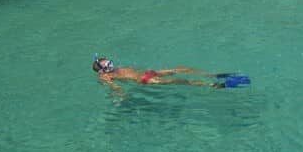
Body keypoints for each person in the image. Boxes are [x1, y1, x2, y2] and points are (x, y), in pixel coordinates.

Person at [92, 55, 248, 94]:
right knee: (182, 81)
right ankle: (220, 86)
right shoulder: (105, 76)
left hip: (149, 73)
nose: (112, 66)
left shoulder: (114, 70)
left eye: (111, 62)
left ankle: (213, 75)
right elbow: (114, 86)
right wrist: (120, 95)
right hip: (147, 79)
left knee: (181, 69)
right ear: (102, 70)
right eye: (108, 66)